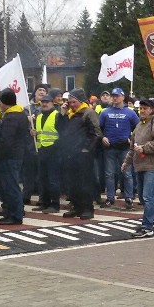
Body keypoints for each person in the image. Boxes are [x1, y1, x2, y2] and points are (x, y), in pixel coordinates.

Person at [127, 99, 154, 237]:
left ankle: (147, 227)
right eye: (141, 109)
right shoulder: (139, 125)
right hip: (139, 166)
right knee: (143, 197)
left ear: (151, 109)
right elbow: (133, 146)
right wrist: (126, 162)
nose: (142, 111)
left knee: (147, 196)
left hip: (152, 165)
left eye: (145, 108)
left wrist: (144, 148)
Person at [60, 88, 102, 220]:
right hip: (71, 153)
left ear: (80, 101)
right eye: (69, 102)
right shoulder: (70, 114)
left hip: (83, 154)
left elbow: (96, 133)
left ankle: (87, 209)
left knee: (84, 182)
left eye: (73, 102)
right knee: (72, 183)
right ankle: (76, 207)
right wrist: (62, 115)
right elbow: (61, 130)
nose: (71, 105)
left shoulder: (88, 113)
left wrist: (86, 149)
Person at [0, 89, 31, 225]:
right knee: (10, 185)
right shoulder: (19, 114)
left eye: (0, 102)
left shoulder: (12, 117)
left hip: (8, 157)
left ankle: (15, 215)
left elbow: (6, 140)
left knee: (10, 186)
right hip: (15, 155)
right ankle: (12, 211)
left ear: (4, 103)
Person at [98, 87, 139, 208]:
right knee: (109, 174)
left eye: (117, 96)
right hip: (110, 147)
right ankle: (110, 198)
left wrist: (132, 137)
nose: (115, 98)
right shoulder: (105, 112)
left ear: (122, 97)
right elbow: (98, 128)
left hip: (125, 147)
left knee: (126, 173)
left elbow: (138, 128)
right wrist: (102, 137)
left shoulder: (130, 112)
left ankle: (129, 198)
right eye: (113, 96)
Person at [31, 95, 63, 213]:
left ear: (52, 103)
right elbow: (40, 133)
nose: (44, 104)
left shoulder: (57, 116)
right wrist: (33, 133)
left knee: (53, 180)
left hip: (54, 151)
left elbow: (62, 134)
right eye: (42, 102)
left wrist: (56, 147)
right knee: (42, 179)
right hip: (41, 150)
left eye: (47, 102)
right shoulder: (38, 117)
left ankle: (55, 204)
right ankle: (44, 203)